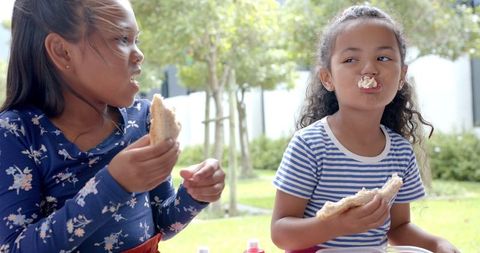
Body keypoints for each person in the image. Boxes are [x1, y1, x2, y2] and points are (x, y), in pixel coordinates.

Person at [0, 0, 225, 252]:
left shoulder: (143, 118)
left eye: (136, 40)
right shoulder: (16, 133)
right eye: (122, 39)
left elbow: (162, 221)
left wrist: (194, 194)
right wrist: (114, 184)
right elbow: (14, 248)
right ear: (62, 51)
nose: (139, 54)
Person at [270, 5, 459, 253]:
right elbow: (281, 233)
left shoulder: (400, 151)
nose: (369, 69)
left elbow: (398, 227)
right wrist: (336, 225)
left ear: (402, 75)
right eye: (351, 60)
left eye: (383, 58)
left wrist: (437, 243)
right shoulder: (310, 146)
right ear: (327, 78)